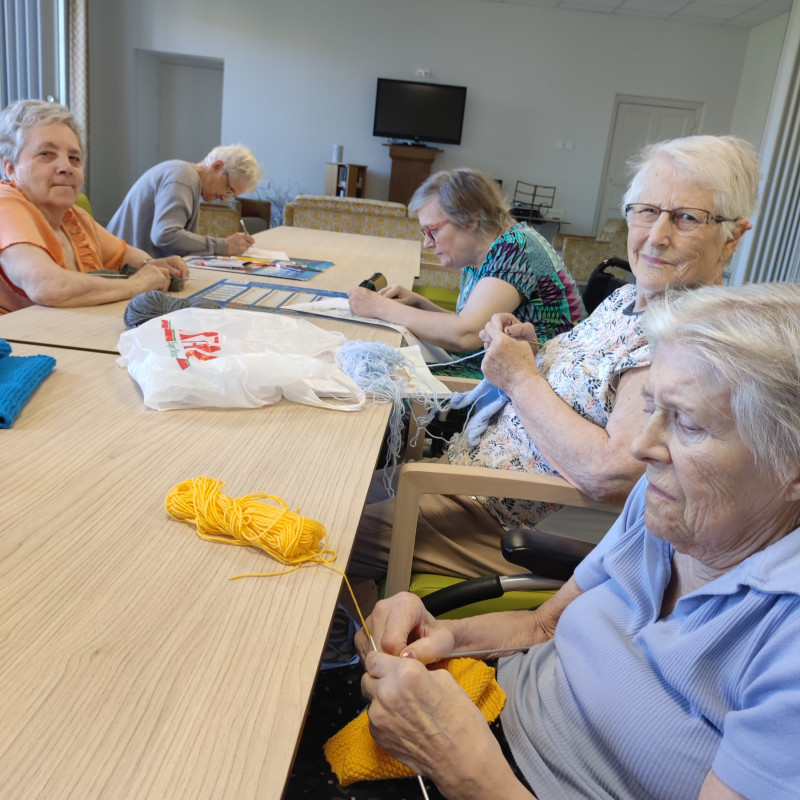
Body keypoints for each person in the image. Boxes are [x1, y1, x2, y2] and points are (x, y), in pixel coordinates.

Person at [316, 282, 800, 800]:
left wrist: (466, 772)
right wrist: (445, 636)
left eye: (687, 424)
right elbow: (541, 623)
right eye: (651, 406)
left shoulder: (784, 637)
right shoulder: (668, 505)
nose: (641, 444)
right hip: (491, 714)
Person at [347, 135, 759, 583]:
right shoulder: (628, 297)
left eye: (685, 218)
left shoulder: (683, 340)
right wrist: (536, 352)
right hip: (465, 468)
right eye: (646, 211)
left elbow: (611, 475)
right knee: (344, 471)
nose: (656, 237)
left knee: (337, 528)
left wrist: (521, 379)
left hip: (500, 518)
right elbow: (590, 384)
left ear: (731, 238)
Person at [347, 168, 585, 377]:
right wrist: (419, 304)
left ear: (470, 221)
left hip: (543, 380)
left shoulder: (516, 249)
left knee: (379, 371)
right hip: (518, 372)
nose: (428, 243)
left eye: (432, 231)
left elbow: (466, 336)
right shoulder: (485, 252)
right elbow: (473, 326)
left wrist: (379, 307)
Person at [0, 99, 188, 316]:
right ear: (11, 167)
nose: (66, 167)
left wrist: (157, 264)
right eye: (46, 154)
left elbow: (126, 255)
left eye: (74, 158)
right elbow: (47, 286)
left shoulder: (73, 216)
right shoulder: (5, 204)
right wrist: (135, 286)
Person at [107, 144, 263, 258]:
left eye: (230, 196)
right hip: (118, 267)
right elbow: (165, 234)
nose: (223, 199)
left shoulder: (186, 175)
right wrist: (224, 245)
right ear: (217, 166)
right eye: (228, 190)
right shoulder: (184, 178)